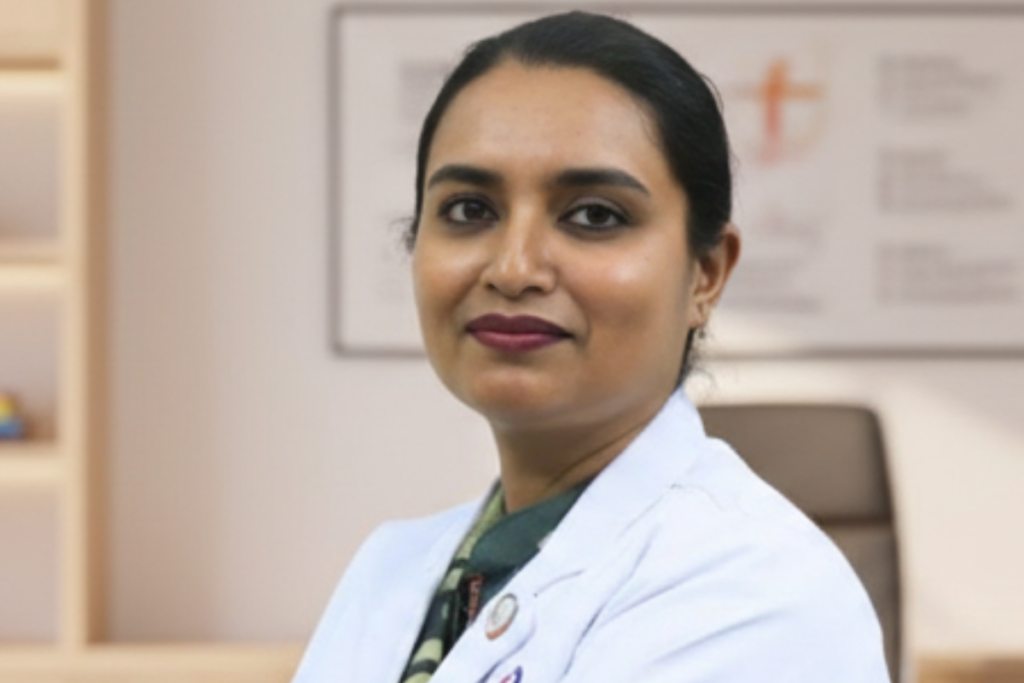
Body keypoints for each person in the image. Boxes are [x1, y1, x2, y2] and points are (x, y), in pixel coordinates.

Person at [294, 11, 890, 683]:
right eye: (469, 210)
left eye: (595, 215)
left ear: (706, 273)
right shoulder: (392, 571)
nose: (514, 267)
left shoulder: (762, 595)